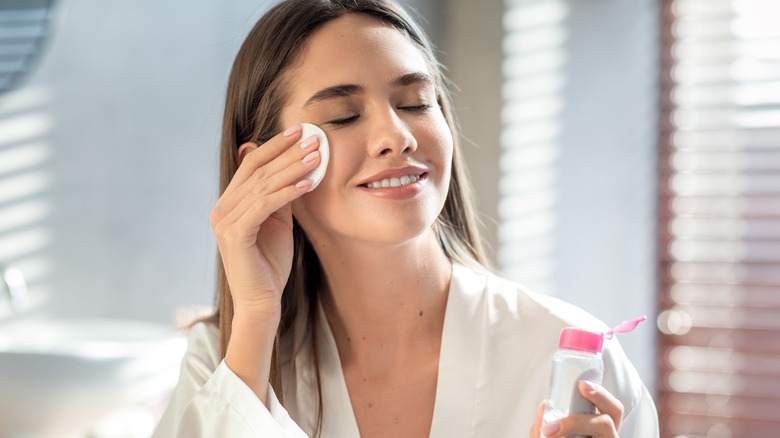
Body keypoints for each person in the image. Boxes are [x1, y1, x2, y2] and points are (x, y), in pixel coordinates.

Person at [152, 0, 659, 437]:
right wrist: (257, 317)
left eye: (416, 102)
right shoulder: (221, 360)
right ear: (264, 169)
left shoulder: (569, 362)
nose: (397, 136)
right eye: (344, 116)